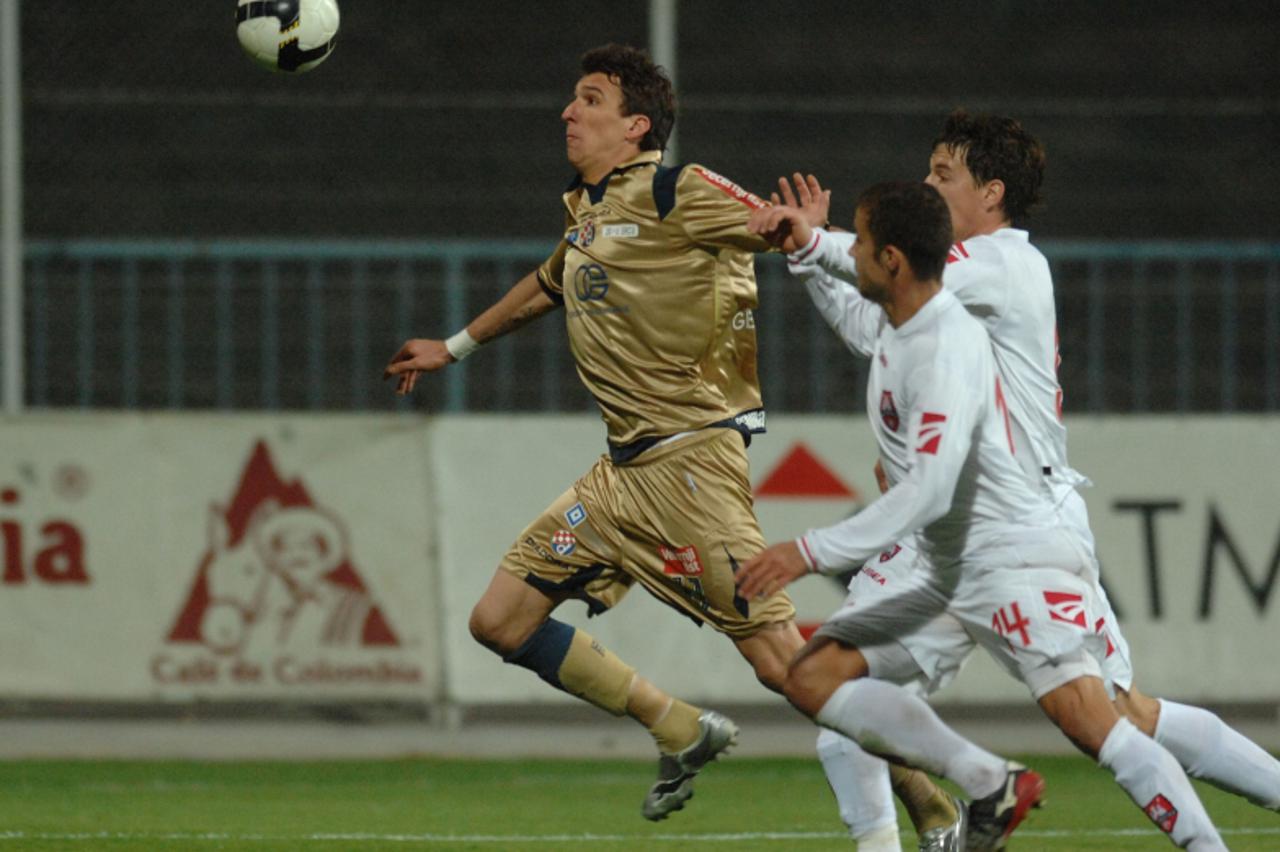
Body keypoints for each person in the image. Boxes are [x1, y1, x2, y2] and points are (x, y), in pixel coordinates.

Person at [381, 44, 963, 840]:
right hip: (619, 477)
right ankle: (675, 725)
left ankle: (936, 791)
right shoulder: (590, 214)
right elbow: (551, 283)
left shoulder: (676, 189)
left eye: (589, 100)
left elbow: (763, 224)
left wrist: (798, 231)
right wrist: (453, 347)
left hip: (690, 468)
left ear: (637, 126)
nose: (568, 113)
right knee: (501, 620)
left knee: (786, 666)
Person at [760, 110, 1280, 837]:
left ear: (992, 194)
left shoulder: (1005, 262)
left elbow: (890, 257)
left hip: (1021, 529)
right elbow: (871, 317)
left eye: (944, 176)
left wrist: (815, 239)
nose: (926, 186)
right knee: (828, 691)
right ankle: (976, 791)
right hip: (945, 541)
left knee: (1113, 716)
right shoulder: (938, 299)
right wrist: (807, 257)